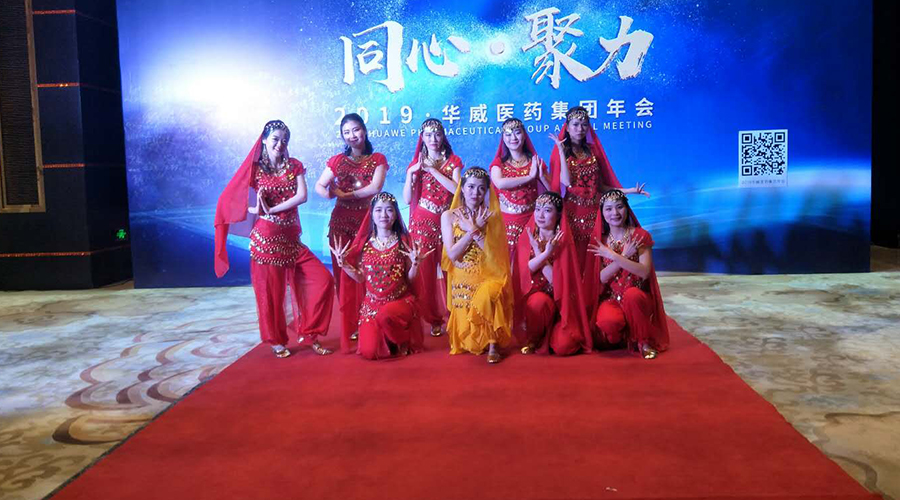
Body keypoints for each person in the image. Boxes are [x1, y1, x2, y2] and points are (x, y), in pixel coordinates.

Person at [214, 120, 334, 358]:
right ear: (264, 140)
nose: (280, 144)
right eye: (275, 139)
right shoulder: (255, 170)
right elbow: (236, 200)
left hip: (291, 240)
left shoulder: (294, 165)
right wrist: (256, 209)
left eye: (284, 140)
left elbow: (302, 196)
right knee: (271, 294)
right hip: (266, 240)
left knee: (323, 280)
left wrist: (273, 209)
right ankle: (276, 340)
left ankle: (310, 333)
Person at [314, 113, 388, 348]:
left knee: (370, 271)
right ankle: (351, 324)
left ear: (364, 130)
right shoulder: (337, 161)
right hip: (341, 224)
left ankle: (372, 317)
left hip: (368, 222)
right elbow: (319, 185)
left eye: (355, 130)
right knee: (344, 274)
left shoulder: (377, 159)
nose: (352, 136)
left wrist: (347, 194)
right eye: (346, 132)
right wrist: (329, 194)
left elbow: (375, 188)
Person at [330, 192, 428, 359]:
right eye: (378, 210)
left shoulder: (404, 241)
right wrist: (344, 265)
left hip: (400, 301)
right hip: (372, 305)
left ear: (396, 214)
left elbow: (410, 279)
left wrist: (416, 265)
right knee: (369, 352)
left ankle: (402, 337)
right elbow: (361, 278)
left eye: (389, 210)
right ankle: (388, 337)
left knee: (386, 315)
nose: (384, 215)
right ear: (371, 213)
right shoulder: (364, 244)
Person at [548, 106, 649, 267]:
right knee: (575, 256)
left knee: (595, 255)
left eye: (584, 124)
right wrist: (561, 150)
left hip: (595, 211)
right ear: (567, 127)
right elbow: (566, 182)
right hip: (573, 212)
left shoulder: (592, 151)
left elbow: (601, 186)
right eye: (575, 124)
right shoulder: (560, 152)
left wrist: (630, 191)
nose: (580, 129)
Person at [585, 189, 669, 359]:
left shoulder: (639, 235)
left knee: (632, 295)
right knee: (607, 323)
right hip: (612, 299)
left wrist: (614, 256)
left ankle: (644, 342)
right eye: (608, 209)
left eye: (619, 207)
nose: (614, 213)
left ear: (627, 209)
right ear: (602, 212)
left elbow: (644, 272)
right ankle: (625, 336)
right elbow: (601, 278)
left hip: (638, 298)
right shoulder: (600, 241)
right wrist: (622, 256)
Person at [440, 167, 513, 364]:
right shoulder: (448, 216)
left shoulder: (492, 216)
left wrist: (475, 229)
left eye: (481, 188)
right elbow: (453, 254)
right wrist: (472, 231)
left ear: (486, 191)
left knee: (490, 292)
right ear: (462, 188)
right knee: (470, 344)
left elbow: (494, 256)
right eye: (471, 187)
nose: (475, 193)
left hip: (488, 273)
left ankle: (493, 344)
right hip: (462, 275)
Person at [402, 118, 463, 337]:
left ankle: (456, 314)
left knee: (451, 270)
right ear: (422, 138)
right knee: (425, 274)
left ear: (443, 135)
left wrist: (432, 170)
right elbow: (407, 199)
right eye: (428, 135)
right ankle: (433, 319)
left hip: (448, 223)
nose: (433, 139)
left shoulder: (453, 161)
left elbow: (457, 191)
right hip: (422, 223)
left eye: (437, 134)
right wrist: (412, 173)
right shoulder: (416, 164)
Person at [511, 192, 591, 355]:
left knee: (564, 347)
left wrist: (541, 254)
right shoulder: (528, 237)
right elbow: (525, 272)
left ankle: (554, 332)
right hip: (537, 304)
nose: (540, 215)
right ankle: (534, 338)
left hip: (562, 304)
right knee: (538, 302)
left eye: (547, 210)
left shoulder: (564, 242)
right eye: (537, 209)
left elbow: (555, 282)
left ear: (558, 214)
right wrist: (545, 253)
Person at [489, 118, 550, 258]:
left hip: (531, 220)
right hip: (506, 222)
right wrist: (529, 177)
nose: (513, 138)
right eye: (508, 134)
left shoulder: (535, 162)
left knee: (529, 259)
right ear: (503, 138)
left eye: (517, 132)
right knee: (507, 261)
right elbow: (499, 183)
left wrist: (541, 176)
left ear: (524, 135)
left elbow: (552, 190)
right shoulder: (499, 164)